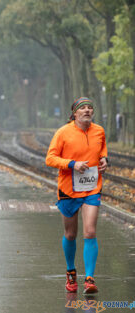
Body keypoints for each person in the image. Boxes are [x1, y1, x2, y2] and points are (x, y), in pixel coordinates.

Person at [46, 97, 108, 294]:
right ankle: (71, 272)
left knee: (90, 232)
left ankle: (89, 278)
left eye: (90, 108)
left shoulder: (99, 131)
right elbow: (50, 158)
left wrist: (104, 159)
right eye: (83, 108)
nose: (88, 110)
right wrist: (72, 164)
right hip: (69, 189)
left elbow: (101, 150)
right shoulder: (63, 132)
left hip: (92, 188)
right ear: (74, 113)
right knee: (71, 234)